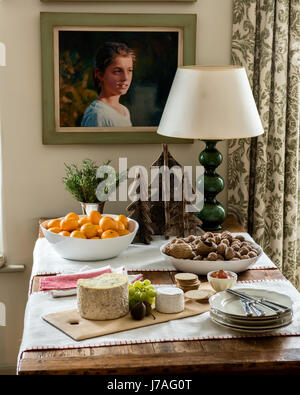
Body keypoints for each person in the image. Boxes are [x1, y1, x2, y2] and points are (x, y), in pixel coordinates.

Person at [81, 42, 135, 127]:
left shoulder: (124, 111)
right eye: (117, 71)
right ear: (100, 74)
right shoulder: (97, 114)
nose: (125, 78)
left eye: (129, 70)